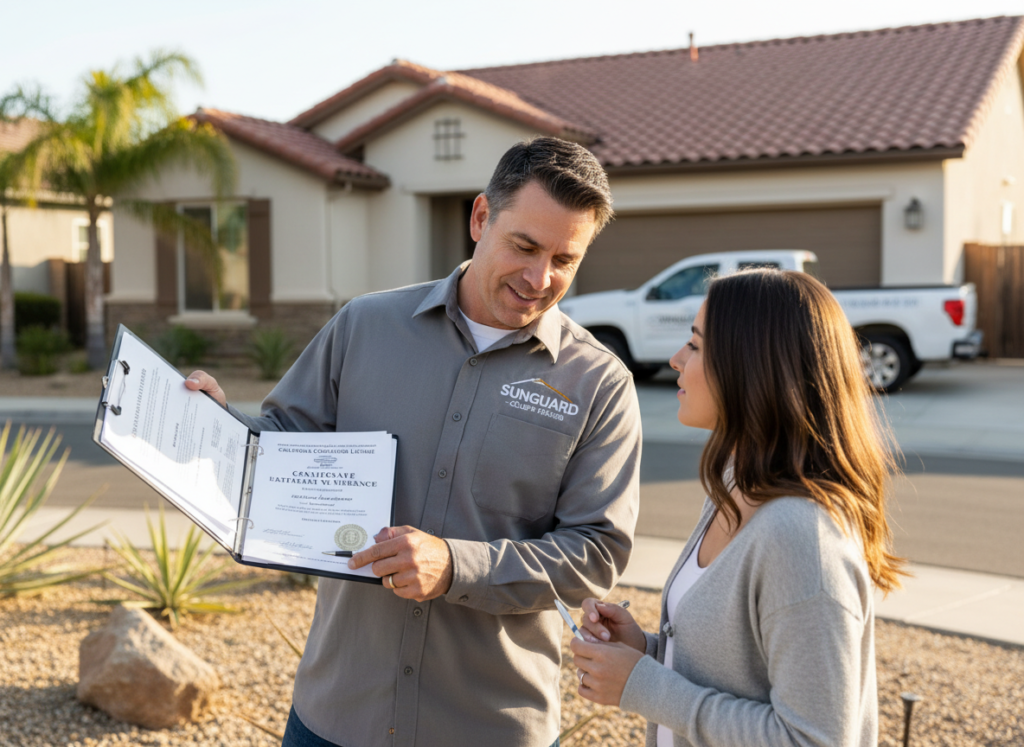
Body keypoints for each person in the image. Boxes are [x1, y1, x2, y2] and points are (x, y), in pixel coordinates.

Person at [186, 137, 642, 747]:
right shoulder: (363, 326)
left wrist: (457, 564)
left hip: (490, 727)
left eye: (565, 259)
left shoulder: (599, 382)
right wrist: (220, 432)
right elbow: (282, 448)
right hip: (336, 716)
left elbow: (596, 553)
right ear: (481, 218)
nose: (540, 279)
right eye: (525, 246)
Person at [569, 269, 906, 747]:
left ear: (752, 367)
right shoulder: (737, 486)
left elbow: (814, 739)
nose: (676, 359)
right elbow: (738, 673)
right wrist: (645, 651)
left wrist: (643, 684)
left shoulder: (800, 536)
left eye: (696, 345)